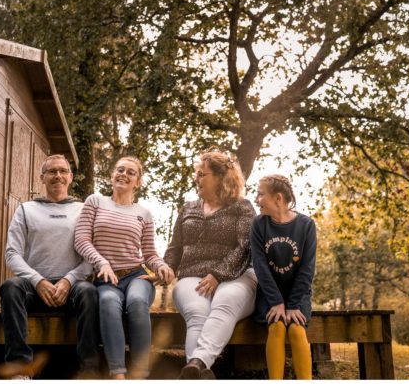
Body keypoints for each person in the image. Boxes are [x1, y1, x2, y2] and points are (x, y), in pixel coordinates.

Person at [0, 154, 99, 379]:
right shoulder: (26, 209)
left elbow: (91, 256)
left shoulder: (84, 210)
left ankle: (89, 371)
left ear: (71, 177)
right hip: (34, 288)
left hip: (72, 288)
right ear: (42, 177)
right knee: (10, 287)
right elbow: (12, 253)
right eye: (52, 171)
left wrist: (68, 280)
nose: (58, 176)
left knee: (89, 291)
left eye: (63, 171)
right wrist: (38, 281)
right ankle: (19, 369)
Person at [74, 156, 174, 379]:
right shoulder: (95, 202)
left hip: (136, 276)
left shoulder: (144, 214)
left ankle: (140, 373)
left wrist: (162, 267)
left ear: (137, 182)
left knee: (137, 302)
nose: (124, 175)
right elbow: (81, 239)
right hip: (106, 280)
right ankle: (117, 373)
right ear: (112, 175)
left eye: (131, 172)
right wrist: (102, 262)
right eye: (120, 170)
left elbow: (149, 254)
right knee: (109, 302)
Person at [163, 148, 257, 379]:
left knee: (225, 301)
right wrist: (164, 268)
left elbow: (245, 246)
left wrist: (218, 274)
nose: (197, 178)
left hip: (237, 276)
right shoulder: (188, 208)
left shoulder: (242, 207)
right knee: (197, 313)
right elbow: (175, 248)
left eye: (202, 174)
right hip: (192, 276)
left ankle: (197, 362)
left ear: (220, 178)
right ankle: (200, 371)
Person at [250, 174, 317, 380]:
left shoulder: (306, 225)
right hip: (269, 294)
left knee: (297, 330)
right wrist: (276, 301)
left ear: (278, 198)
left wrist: (294, 304)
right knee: (277, 327)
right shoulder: (259, 224)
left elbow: (307, 269)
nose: (256, 199)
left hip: (298, 295)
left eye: (260, 194)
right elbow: (260, 267)